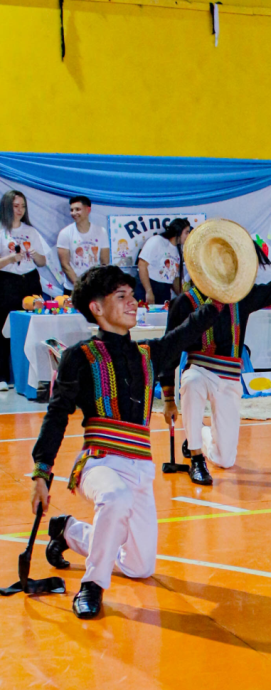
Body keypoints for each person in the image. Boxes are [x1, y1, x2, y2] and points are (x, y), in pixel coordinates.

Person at [30, 265, 227, 619]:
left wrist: (220, 299)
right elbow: (57, 414)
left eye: (132, 296)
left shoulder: (149, 354)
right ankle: (92, 586)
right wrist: (41, 472)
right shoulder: (80, 356)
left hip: (141, 468)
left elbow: (189, 330)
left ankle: (68, 530)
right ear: (97, 308)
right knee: (114, 497)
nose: (132, 303)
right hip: (99, 462)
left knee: (139, 566)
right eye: (120, 297)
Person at [159, 244, 271, 485]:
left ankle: (196, 435)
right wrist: (168, 398)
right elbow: (167, 351)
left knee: (225, 459)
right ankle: (197, 459)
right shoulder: (184, 302)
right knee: (191, 382)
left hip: (229, 377)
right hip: (198, 369)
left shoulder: (242, 297)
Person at [0, 190, 49, 392]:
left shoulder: (31, 231)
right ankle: (2, 376)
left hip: (29, 280)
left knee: (35, 325)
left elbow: (43, 261)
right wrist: (11, 259)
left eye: (23, 206)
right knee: (4, 329)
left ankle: (37, 376)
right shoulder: (1, 230)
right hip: (6, 281)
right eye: (15, 206)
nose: (19, 210)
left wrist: (36, 256)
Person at [56, 195, 109, 294]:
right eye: (71, 210)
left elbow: (104, 263)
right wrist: (79, 286)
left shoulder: (101, 232)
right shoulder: (65, 233)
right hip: (73, 289)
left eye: (77, 209)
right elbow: (65, 265)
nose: (74, 213)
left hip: (95, 288)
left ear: (88, 210)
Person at [137, 218, 191, 305]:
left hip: (165, 289)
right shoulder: (157, 241)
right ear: (178, 231)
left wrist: (184, 297)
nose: (188, 235)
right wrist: (149, 291)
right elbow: (142, 265)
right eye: (186, 232)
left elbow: (174, 278)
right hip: (148, 285)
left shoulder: (178, 250)